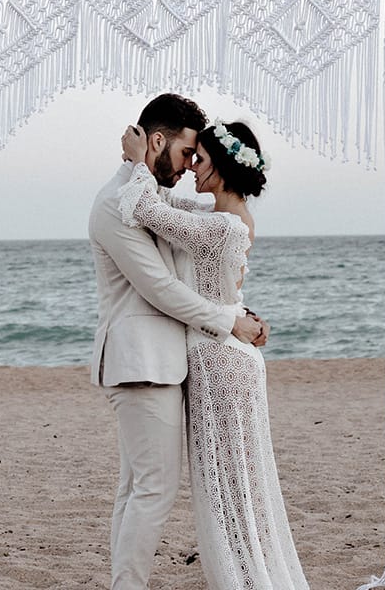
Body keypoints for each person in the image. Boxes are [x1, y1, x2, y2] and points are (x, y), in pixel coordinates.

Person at [118, 119, 309, 590]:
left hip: (221, 364)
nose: (192, 169)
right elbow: (168, 204)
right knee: (233, 484)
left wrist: (135, 159)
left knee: (228, 490)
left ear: (221, 168)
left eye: (199, 160)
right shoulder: (224, 219)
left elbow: (146, 208)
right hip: (223, 356)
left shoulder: (220, 226)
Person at [88, 93, 268, 590]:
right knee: (153, 491)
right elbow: (161, 289)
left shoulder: (148, 196)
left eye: (198, 158)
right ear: (158, 141)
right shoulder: (114, 204)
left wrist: (236, 311)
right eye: (187, 152)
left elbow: (200, 227)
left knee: (137, 489)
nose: (190, 165)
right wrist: (228, 323)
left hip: (160, 364)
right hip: (142, 364)